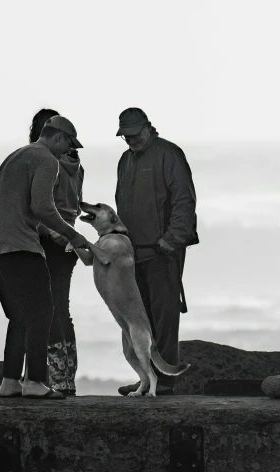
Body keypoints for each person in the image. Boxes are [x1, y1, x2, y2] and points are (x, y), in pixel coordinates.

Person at [0, 115, 90, 400]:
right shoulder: (46, 160)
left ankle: (10, 381)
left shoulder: (16, 156)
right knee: (43, 311)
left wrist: (50, 233)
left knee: (19, 316)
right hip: (20, 246)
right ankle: (35, 382)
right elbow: (42, 206)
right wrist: (73, 235)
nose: (67, 150)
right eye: (67, 143)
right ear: (57, 137)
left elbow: (19, 207)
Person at [113, 108, 199, 396]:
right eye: (125, 136)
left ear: (148, 128)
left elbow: (184, 201)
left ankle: (166, 382)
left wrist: (172, 239)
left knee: (164, 316)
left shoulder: (169, 154)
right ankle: (147, 379)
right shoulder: (125, 160)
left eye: (135, 134)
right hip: (132, 254)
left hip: (163, 252)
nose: (130, 140)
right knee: (140, 319)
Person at [28, 109, 85, 396]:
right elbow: (75, 204)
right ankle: (67, 376)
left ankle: (54, 378)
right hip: (68, 241)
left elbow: (41, 206)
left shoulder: (48, 163)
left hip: (50, 239)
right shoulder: (77, 165)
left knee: (47, 308)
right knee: (62, 307)